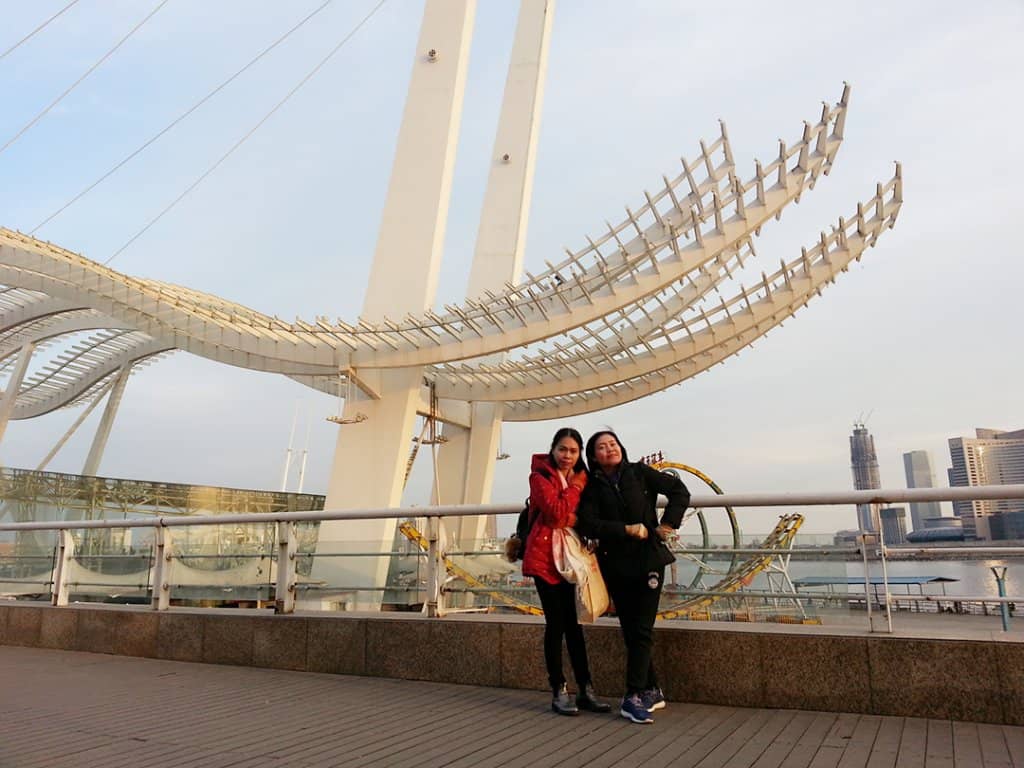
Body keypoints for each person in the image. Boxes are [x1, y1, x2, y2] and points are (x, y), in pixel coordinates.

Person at [577, 429, 690, 724]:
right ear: (593, 456)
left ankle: (633, 695)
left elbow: (680, 491)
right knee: (631, 630)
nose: (609, 449)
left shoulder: (640, 473)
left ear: (621, 447)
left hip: (649, 558)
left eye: (612, 444)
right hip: (615, 564)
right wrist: (625, 529)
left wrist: (667, 524)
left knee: (641, 628)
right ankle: (652, 689)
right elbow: (589, 524)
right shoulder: (591, 486)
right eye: (601, 447)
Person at [521, 427, 611, 716]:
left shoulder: (582, 478)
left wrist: (574, 510)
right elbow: (557, 514)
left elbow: (586, 517)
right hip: (544, 559)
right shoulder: (539, 477)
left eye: (573, 451)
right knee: (556, 624)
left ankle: (586, 689)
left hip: (573, 559)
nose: (567, 456)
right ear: (553, 449)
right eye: (563, 449)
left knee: (575, 626)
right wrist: (575, 488)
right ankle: (558, 690)